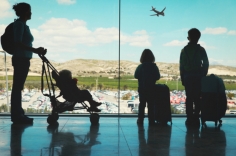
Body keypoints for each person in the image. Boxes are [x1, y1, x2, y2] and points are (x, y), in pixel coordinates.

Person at [11, 3, 47, 124]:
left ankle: (18, 114)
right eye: (29, 11)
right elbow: (18, 43)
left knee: (18, 87)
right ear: (25, 12)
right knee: (17, 88)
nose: (31, 13)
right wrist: (35, 50)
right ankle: (17, 115)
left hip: (23, 59)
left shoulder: (24, 25)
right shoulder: (20, 25)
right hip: (20, 59)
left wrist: (36, 50)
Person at [179, 28, 209, 126]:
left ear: (189, 38)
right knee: (197, 98)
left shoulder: (184, 50)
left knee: (189, 98)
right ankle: (196, 117)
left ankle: (189, 118)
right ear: (198, 38)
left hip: (187, 76)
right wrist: (203, 75)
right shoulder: (201, 50)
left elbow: (182, 66)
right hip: (198, 76)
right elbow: (206, 63)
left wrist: (182, 77)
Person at [134, 49, 160, 125]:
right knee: (151, 105)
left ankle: (140, 119)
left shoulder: (140, 67)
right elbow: (158, 77)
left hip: (142, 88)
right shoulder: (154, 67)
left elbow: (136, 75)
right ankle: (151, 120)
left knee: (142, 104)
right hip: (151, 88)